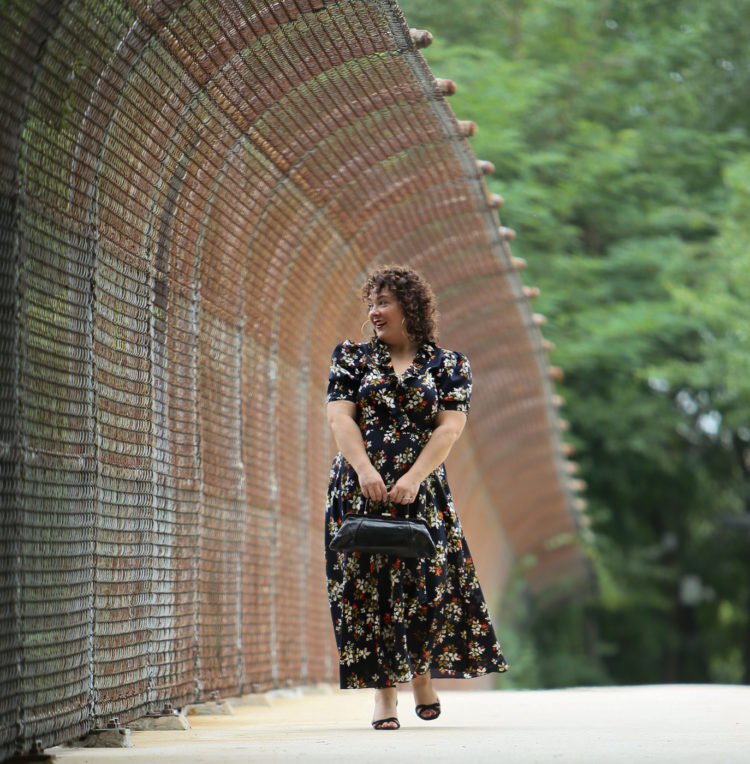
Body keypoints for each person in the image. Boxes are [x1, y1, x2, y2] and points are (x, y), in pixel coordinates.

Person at [325, 264, 509, 730]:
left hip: (422, 491)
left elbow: (450, 427)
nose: (374, 311)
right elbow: (340, 420)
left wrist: (413, 477)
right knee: (366, 591)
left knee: (427, 588)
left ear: (411, 307)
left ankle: (423, 677)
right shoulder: (351, 357)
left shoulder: (450, 365)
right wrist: (365, 470)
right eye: (372, 302)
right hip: (358, 491)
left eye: (384, 301)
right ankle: (384, 698)